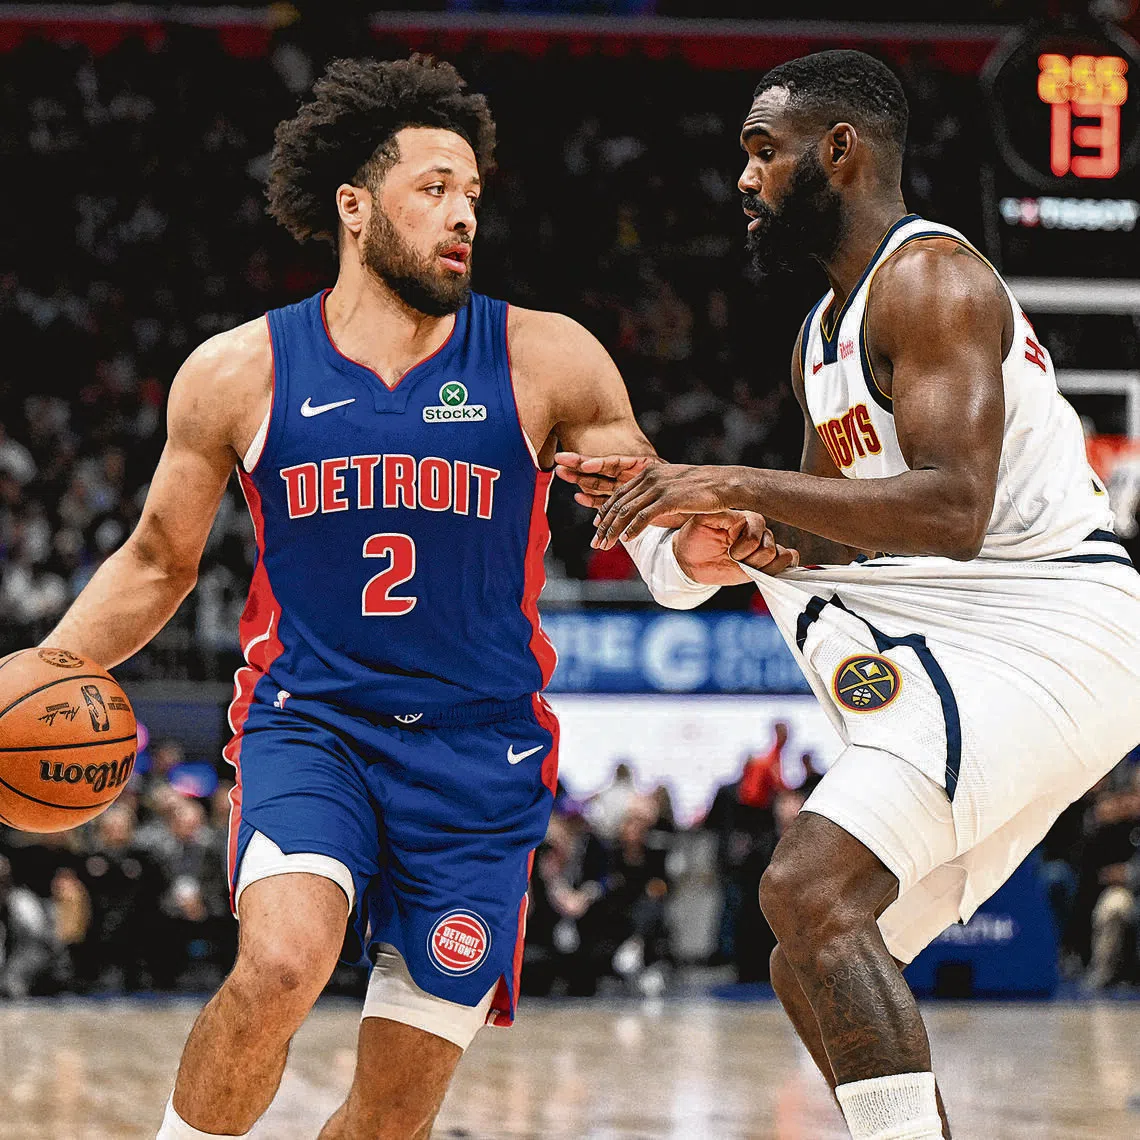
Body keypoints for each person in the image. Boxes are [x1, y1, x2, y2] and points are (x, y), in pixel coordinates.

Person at [41, 55, 784, 1140]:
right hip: (315, 721)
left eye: (474, 193)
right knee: (283, 964)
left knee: (393, 1112)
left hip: (481, 749)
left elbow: (652, 524)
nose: (462, 213)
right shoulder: (238, 371)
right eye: (433, 186)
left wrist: (701, 552)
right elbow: (158, 561)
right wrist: (50, 667)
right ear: (353, 207)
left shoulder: (546, 357)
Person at [558, 49, 1140, 1140]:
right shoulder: (821, 339)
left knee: (807, 889)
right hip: (994, 629)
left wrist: (727, 478)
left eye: (762, 150)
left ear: (841, 150)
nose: (745, 179)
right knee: (811, 952)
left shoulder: (934, 281)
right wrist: (726, 529)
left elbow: (951, 510)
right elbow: (825, 533)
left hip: (1056, 622)